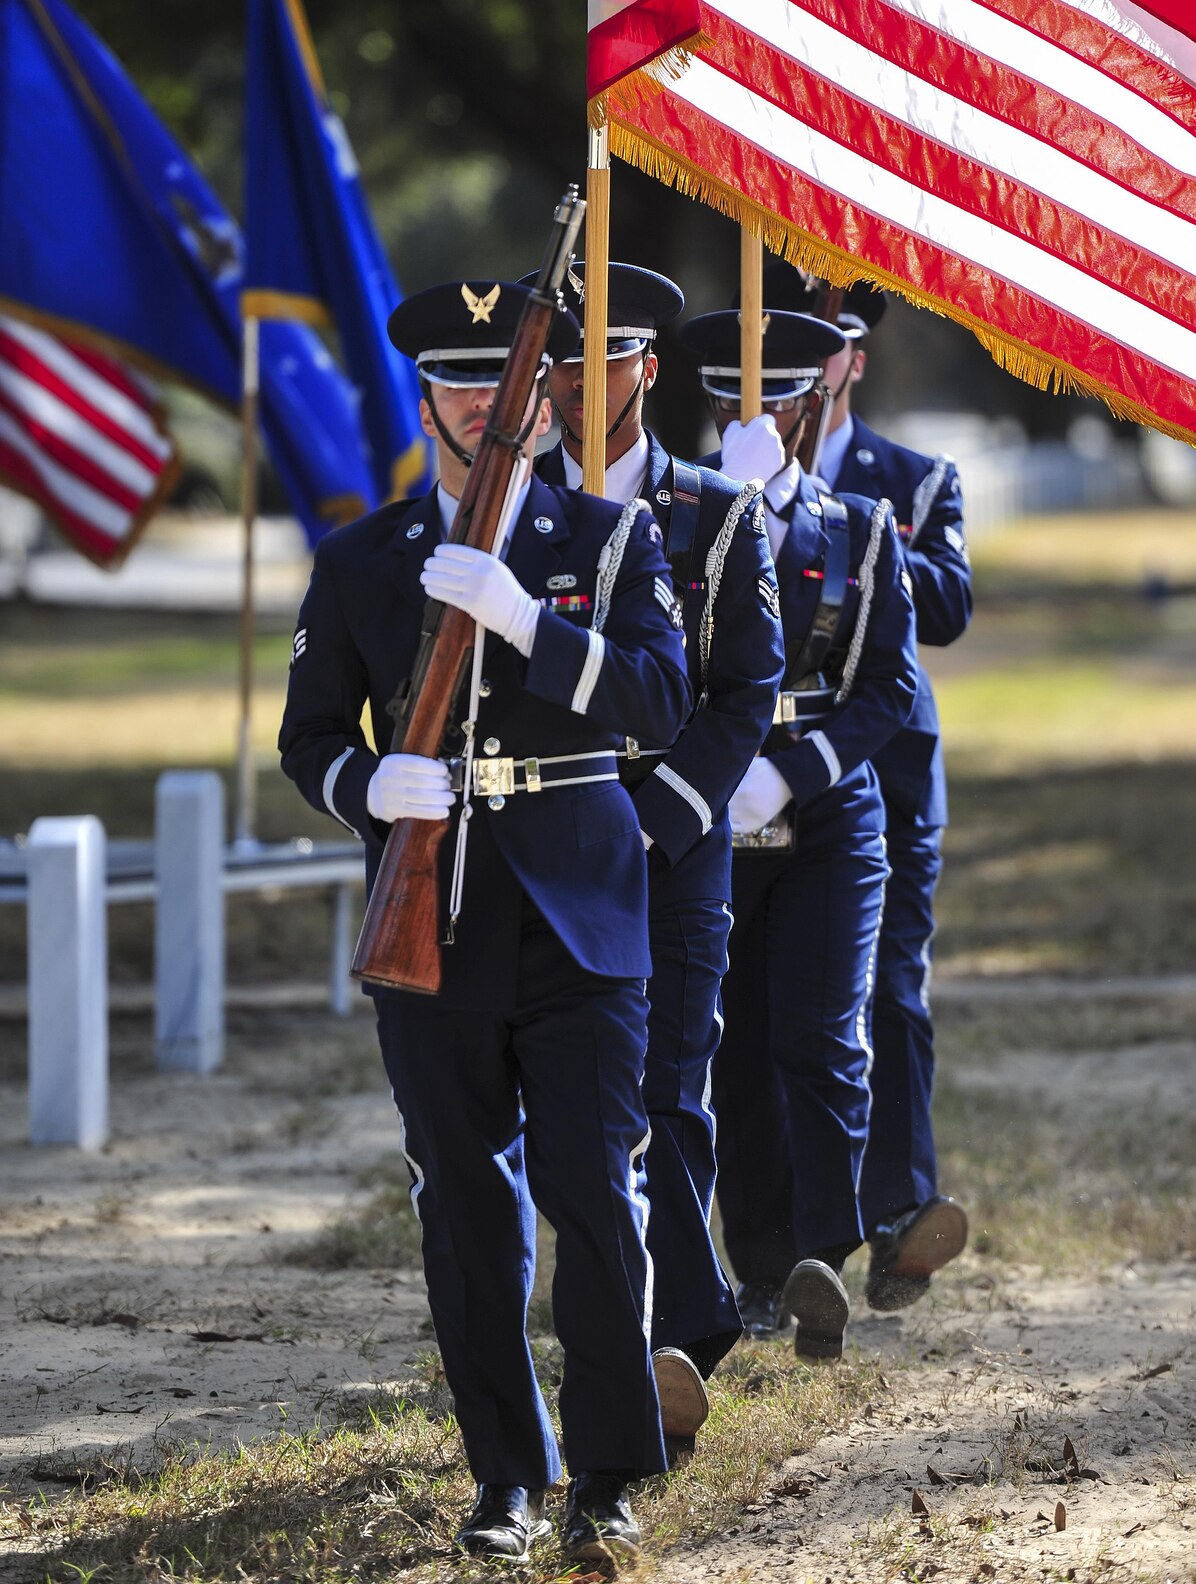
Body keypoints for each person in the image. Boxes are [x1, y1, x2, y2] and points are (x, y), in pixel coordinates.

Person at [278, 279, 694, 1565]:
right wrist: (365, 787)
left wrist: (524, 620)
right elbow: (306, 737)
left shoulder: (610, 543)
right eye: (457, 380)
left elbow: (661, 701)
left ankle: (609, 1471)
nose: (481, 398)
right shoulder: (358, 559)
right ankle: (508, 1474)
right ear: (426, 400)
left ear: (545, 390)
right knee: (463, 1203)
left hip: (578, 917)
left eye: (500, 374)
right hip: (434, 915)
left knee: (593, 1195)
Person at [527, 258, 784, 1455]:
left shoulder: (711, 516)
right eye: (563, 358)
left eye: (607, 356)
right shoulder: (512, 515)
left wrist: (661, 815)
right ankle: (638, 1323)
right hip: (538, 856)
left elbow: (745, 693)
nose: (581, 379)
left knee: (668, 1088)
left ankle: (674, 1333)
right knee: (569, 1111)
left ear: (651, 368)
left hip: (667, 848)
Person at [678, 307, 918, 1363]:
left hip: (824, 812)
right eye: (736, 397)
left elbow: (885, 691)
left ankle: (826, 1250)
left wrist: (789, 769)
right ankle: (761, 1265)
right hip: (712, 811)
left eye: (777, 395)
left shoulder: (860, 527)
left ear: (810, 401)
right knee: (730, 1046)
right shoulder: (672, 522)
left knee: (821, 1037)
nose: (759, 414)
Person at [757, 259, 974, 1312]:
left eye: (827, 336)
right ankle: (791, 1236)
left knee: (888, 986)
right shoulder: (727, 473)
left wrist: (835, 523)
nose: (811, 357)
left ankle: (896, 1215)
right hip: (763, 763)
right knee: (766, 998)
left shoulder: (913, 478)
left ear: (853, 354)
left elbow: (948, 606)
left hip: (883, 766)